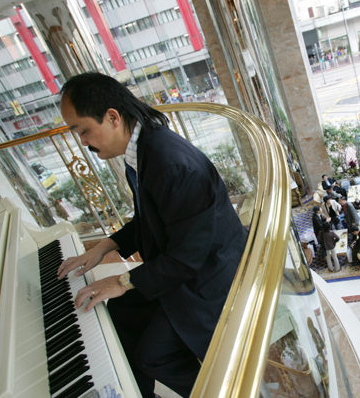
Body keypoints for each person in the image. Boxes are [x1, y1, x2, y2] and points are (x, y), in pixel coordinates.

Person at [55, 72, 248, 398]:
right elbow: (151, 218)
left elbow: (187, 259)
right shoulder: (144, 147)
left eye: (84, 131)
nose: (84, 143)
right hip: (189, 267)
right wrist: (102, 249)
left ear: (113, 117)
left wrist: (120, 282)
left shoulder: (169, 162)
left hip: (211, 279)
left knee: (153, 355)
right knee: (114, 311)